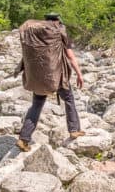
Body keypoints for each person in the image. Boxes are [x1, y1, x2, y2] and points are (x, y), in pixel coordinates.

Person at [16, 13, 85, 152]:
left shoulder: (34, 32)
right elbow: (70, 56)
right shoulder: (59, 31)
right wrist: (79, 74)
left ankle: (23, 139)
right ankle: (74, 130)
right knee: (69, 99)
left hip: (39, 77)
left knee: (36, 105)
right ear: (58, 21)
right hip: (57, 75)